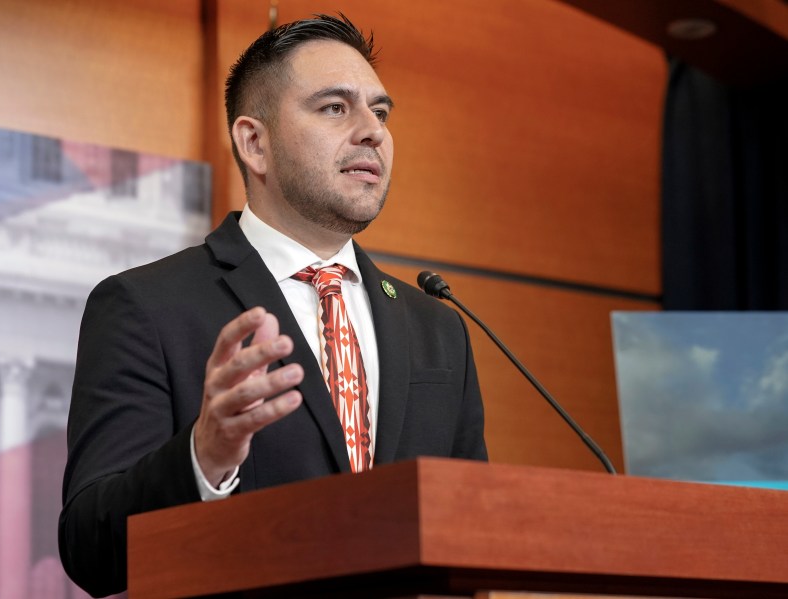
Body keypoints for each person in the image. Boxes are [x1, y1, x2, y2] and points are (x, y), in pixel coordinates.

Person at [59, 13, 487, 598]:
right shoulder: (145, 306)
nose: (372, 132)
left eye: (380, 112)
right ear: (254, 142)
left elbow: (475, 535)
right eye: (335, 108)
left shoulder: (437, 328)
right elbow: (90, 547)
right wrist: (202, 457)